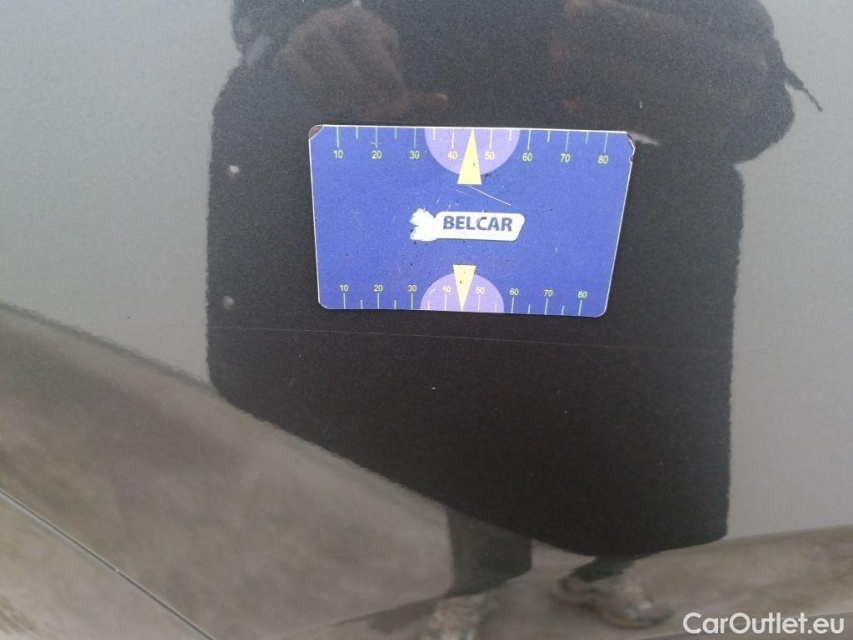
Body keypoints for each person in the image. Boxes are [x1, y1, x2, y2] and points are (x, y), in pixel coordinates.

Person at [209, 1, 818, 638]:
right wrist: (300, 36)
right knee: (476, 413)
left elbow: (760, 109)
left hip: (617, 215)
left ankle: (605, 569)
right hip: (444, 192)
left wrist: (731, 92)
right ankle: (476, 583)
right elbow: (271, 19)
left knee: (626, 420)